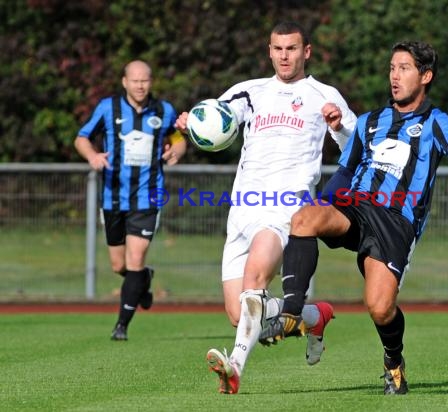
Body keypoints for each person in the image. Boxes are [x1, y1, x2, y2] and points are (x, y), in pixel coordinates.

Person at [259, 41, 448, 395]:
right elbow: (345, 172)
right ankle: (292, 311)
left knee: (379, 307)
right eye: (392, 67)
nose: (394, 75)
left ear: (425, 76)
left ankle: (394, 360)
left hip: (396, 221)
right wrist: (325, 205)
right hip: (356, 206)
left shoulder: (435, 120)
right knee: (304, 219)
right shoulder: (369, 121)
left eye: (404, 68)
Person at [175, 21, 357, 394]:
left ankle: (235, 368)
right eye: (277, 49)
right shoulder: (249, 91)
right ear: (269, 51)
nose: (284, 56)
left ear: (306, 52)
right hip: (242, 208)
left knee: (254, 283)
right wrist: (189, 128)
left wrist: (337, 128)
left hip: (284, 209)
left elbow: (355, 150)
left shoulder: (324, 95)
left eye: (292, 49)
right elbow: (216, 119)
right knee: (238, 313)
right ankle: (313, 316)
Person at [75, 60, 187, 341]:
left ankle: (121, 325)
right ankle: (142, 281)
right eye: (135, 80)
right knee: (119, 266)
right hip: (113, 198)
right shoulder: (107, 108)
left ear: (151, 82)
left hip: (148, 197)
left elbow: (179, 138)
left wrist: (177, 151)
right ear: (125, 82)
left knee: (135, 258)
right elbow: (82, 138)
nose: (140, 85)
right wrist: (92, 156)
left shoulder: (163, 111)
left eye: (145, 80)